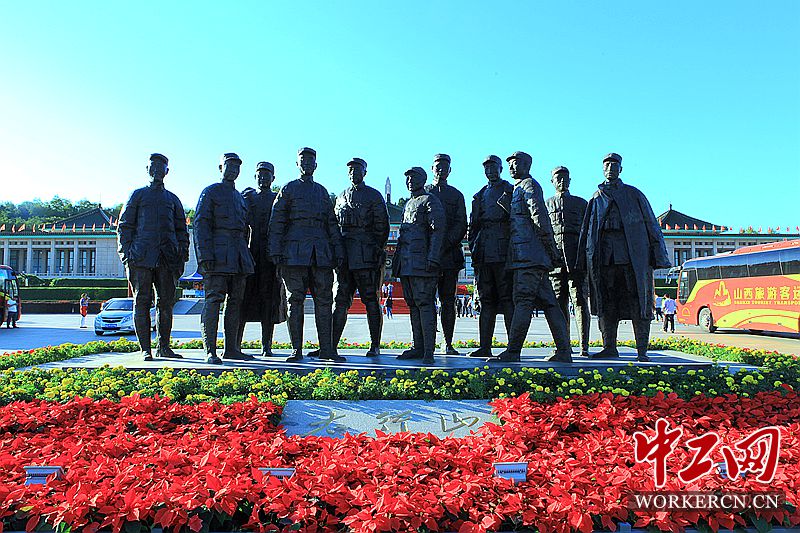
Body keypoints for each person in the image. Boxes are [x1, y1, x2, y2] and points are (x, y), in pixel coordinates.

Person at [577, 153, 671, 362]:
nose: (610, 168)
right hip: (604, 260)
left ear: (621, 169)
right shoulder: (596, 198)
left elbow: (651, 223)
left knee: (638, 301)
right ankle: (609, 347)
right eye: (607, 165)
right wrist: (582, 262)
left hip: (631, 258)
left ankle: (642, 350)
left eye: (615, 165)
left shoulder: (634, 194)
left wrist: (659, 255)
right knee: (606, 302)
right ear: (602, 170)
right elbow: (587, 231)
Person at [494, 151, 573, 363]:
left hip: (528, 256)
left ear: (527, 165)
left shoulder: (529, 185)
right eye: (510, 164)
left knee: (523, 301)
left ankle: (513, 351)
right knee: (549, 302)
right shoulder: (518, 187)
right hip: (527, 256)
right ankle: (564, 350)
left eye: (516, 163)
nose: (512, 167)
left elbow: (540, 219)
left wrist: (552, 250)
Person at [269, 147, 345, 363]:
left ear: (316, 166)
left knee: (324, 300)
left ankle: (327, 349)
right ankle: (296, 350)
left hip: (321, 254)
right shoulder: (288, 189)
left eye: (310, 161)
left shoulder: (322, 192)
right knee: (295, 301)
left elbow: (332, 224)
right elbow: (277, 221)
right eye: (303, 161)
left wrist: (338, 251)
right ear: (297, 164)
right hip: (293, 254)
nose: (307, 165)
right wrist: (274, 250)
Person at [118, 152, 190, 361]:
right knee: (141, 301)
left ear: (167, 171)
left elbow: (182, 231)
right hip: (141, 257)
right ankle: (145, 349)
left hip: (167, 258)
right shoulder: (137, 195)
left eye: (161, 168)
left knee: (165, 303)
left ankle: (163, 347)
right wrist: (127, 255)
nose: (157, 171)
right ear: (147, 170)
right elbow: (124, 226)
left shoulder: (173, 199)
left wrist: (182, 255)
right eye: (153, 167)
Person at [194, 152, 256, 364]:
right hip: (217, 254)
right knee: (213, 300)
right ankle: (210, 350)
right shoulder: (210, 192)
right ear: (221, 168)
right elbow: (200, 225)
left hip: (238, 255)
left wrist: (245, 255)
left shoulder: (240, 197)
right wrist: (204, 255)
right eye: (229, 166)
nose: (233, 170)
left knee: (236, 303)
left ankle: (231, 349)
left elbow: (246, 229)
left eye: (237, 167)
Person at [327, 157, 390, 357]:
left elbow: (382, 226)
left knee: (370, 299)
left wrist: (375, 250)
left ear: (365, 172)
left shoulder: (373, 195)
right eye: (351, 170)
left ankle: (375, 345)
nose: (354, 172)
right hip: (344, 256)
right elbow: (334, 227)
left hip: (366, 256)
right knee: (340, 301)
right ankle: (331, 346)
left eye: (358, 169)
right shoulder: (340, 197)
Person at [393, 166, 445, 365]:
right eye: (407, 178)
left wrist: (433, 258)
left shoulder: (430, 200)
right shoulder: (408, 204)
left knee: (425, 304)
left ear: (423, 180)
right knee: (413, 305)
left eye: (413, 178)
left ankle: (428, 350)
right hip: (407, 263)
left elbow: (438, 231)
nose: (410, 181)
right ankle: (418, 346)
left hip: (423, 262)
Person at [238, 161, 287, 357]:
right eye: (260, 175)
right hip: (249, 253)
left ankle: (266, 345)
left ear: (273, 178)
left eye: (267, 175)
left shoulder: (277, 199)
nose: (263, 178)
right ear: (255, 177)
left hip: (269, 256)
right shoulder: (247, 197)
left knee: (269, 300)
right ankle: (235, 345)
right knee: (242, 298)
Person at [467, 154, 514, 357]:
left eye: (493, 167)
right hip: (484, 251)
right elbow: (473, 226)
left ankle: (513, 347)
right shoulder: (479, 195)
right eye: (486, 168)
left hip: (503, 251)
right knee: (486, 300)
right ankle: (485, 346)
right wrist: (474, 247)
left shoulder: (510, 189)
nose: (490, 171)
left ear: (500, 169)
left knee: (507, 298)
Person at [546, 166, 591, 357]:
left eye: (565, 178)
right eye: (558, 178)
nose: (562, 181)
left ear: (570, 181)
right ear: (552, 182)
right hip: (555, 263)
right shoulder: (546, 204)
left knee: (580, 302)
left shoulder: (581, 204)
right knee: (558, 304)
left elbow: (588, 233)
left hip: (576, 261)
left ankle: (584, 346)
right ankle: (563, 346)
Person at [425, 153, 467, 355]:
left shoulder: (456, 195)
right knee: (426, 300)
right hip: (426, 255)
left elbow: (461, 223)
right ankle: (425, 342)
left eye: (444, 167)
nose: (441, 170)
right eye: (437, 166)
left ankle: (447, 342)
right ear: (432, 169)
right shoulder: (424, 192)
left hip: (449, 255)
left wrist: (446, 243)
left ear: (450, 170)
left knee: (448, 300)